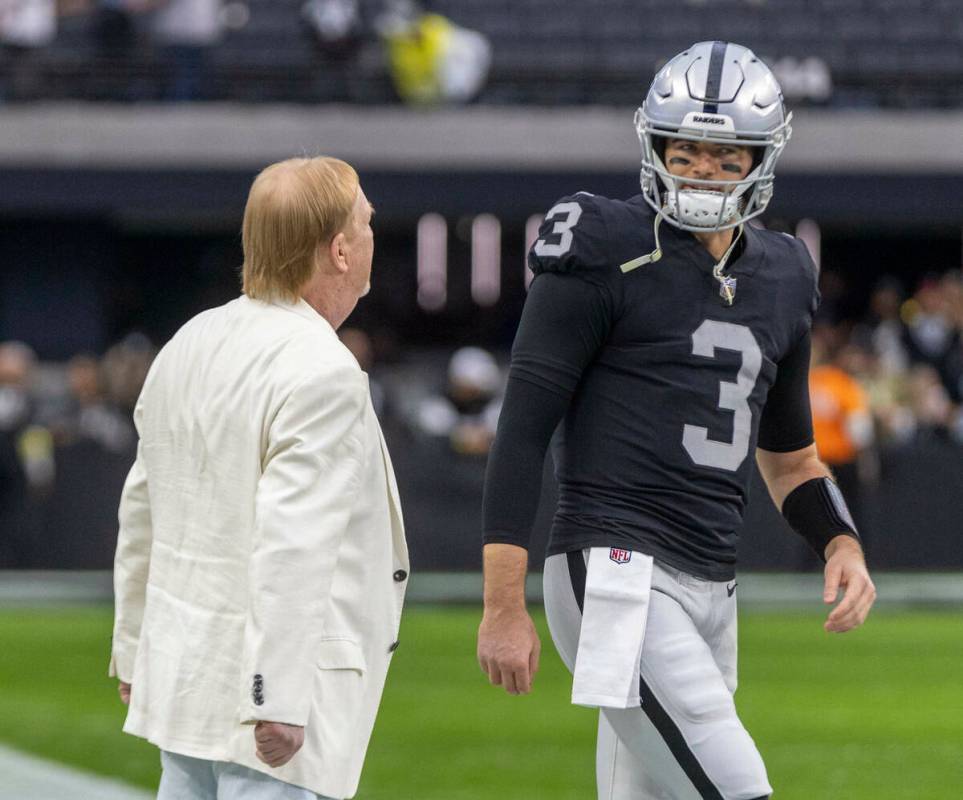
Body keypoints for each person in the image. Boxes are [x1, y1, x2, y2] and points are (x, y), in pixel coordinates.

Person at [478, 42, 876, 800]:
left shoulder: (785, 271)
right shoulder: (599, 242)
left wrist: (839, 540)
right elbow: (522, 430)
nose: (703, 171)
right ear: (653, 144)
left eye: (727, 157)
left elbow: (790, 459)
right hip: (615, 566)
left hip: (710, 583)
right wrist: (503, 605)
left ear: (762, 159)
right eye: (686, 150)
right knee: (737, 787)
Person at [110, 156, 409, 800]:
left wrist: (135, 650)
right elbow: (292, 540)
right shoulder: (323, 369)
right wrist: (276, 695)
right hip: (272, 715)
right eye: (365, 222)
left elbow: (142, 515)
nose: (370, 235)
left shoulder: (187, 341)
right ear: (337, 251)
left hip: (186, 686)